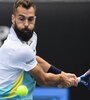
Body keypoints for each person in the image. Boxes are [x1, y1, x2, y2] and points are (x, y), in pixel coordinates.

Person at [0, 0, 78, 100]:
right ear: (13, 19)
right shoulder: (17, 48)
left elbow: (34, 59)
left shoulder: (31, 37)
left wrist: (61, 73)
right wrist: (60, 79)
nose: (26, 24)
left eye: (30, 19)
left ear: (35, 19)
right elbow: (43, 80)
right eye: (21, 19)